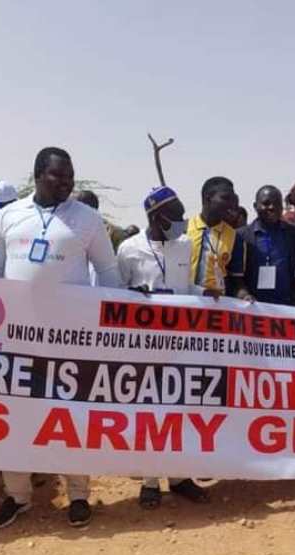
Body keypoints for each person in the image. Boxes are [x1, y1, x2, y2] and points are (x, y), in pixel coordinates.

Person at [0, 147, 120, 529]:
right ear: (37, 176)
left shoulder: (88, 219)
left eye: (70, 177)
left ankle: (78, 494)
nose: (66, 184)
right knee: (14, 416)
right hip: (16, 338)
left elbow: (109, 275)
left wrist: (110, 329)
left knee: (72, 416)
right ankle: (17, 497)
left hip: (72, 340)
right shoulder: (7, 216)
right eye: (58, 177)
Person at [116, 186, 209, 508]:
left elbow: (186, 288)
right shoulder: (129, 249)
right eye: (176, 215)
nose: (182, 221)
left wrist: (207, 292)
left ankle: (180, 477)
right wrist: (132, 293)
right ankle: (150, 481)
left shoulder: (184, 245)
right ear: (156, 216)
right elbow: (114, 293)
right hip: (145, 346)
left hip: (183, 343)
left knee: (181, 412)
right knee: (149, 414)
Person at [186, 177, 252, 300]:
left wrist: (244, 296)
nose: (231, 204)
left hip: (215, 307)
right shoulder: (183, 230)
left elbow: (236, 282)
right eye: (225, 198)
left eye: (232, 199)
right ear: (207, 198)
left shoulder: (235, 238)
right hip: (183, 305)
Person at [238, 185, 295, 305]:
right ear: (255, 206)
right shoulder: (241, 235)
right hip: (253, 306)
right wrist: (244, 294)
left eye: (277, 203)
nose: (272, 207)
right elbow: (235, 276)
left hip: (288, 306)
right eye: (266, 203)